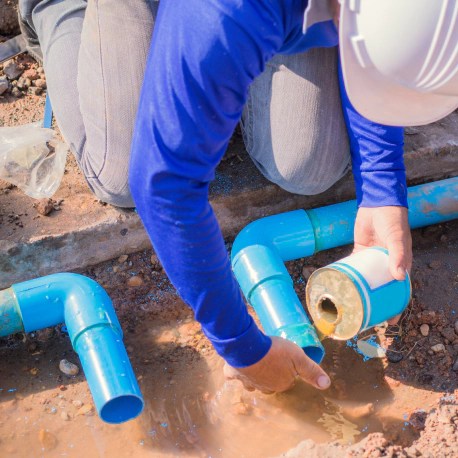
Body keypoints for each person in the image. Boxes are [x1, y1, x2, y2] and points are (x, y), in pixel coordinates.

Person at [19, 0, 458, 394]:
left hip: (269, 14)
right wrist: (244, 349)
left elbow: (383, 61)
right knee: (120, 175)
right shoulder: (228, 10)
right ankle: (58, 9)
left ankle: (221, 68)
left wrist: (381, 186)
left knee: (309, 166)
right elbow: (165, 185)